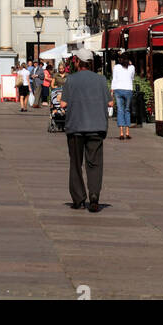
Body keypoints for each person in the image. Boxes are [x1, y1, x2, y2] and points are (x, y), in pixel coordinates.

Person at [57, 48, 110, 212]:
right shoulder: (101, 80)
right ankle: (94, 195)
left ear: (77, 62)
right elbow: (110, 103)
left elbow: (64, 104)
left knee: (76, 163)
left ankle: (78, 198)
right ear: (91, 63)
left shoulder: (71, 80)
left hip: (76, 127)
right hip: (96, 126)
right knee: (94, 164)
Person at [110, 50, 136, 141]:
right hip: (128, 89)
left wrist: (112, 90)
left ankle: (121, 133)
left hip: (118, 89)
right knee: (127, 110)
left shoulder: (116, 67)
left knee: (120, 110)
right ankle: (127, 132)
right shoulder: (132, 67)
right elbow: (132, 78)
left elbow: (114, 79)